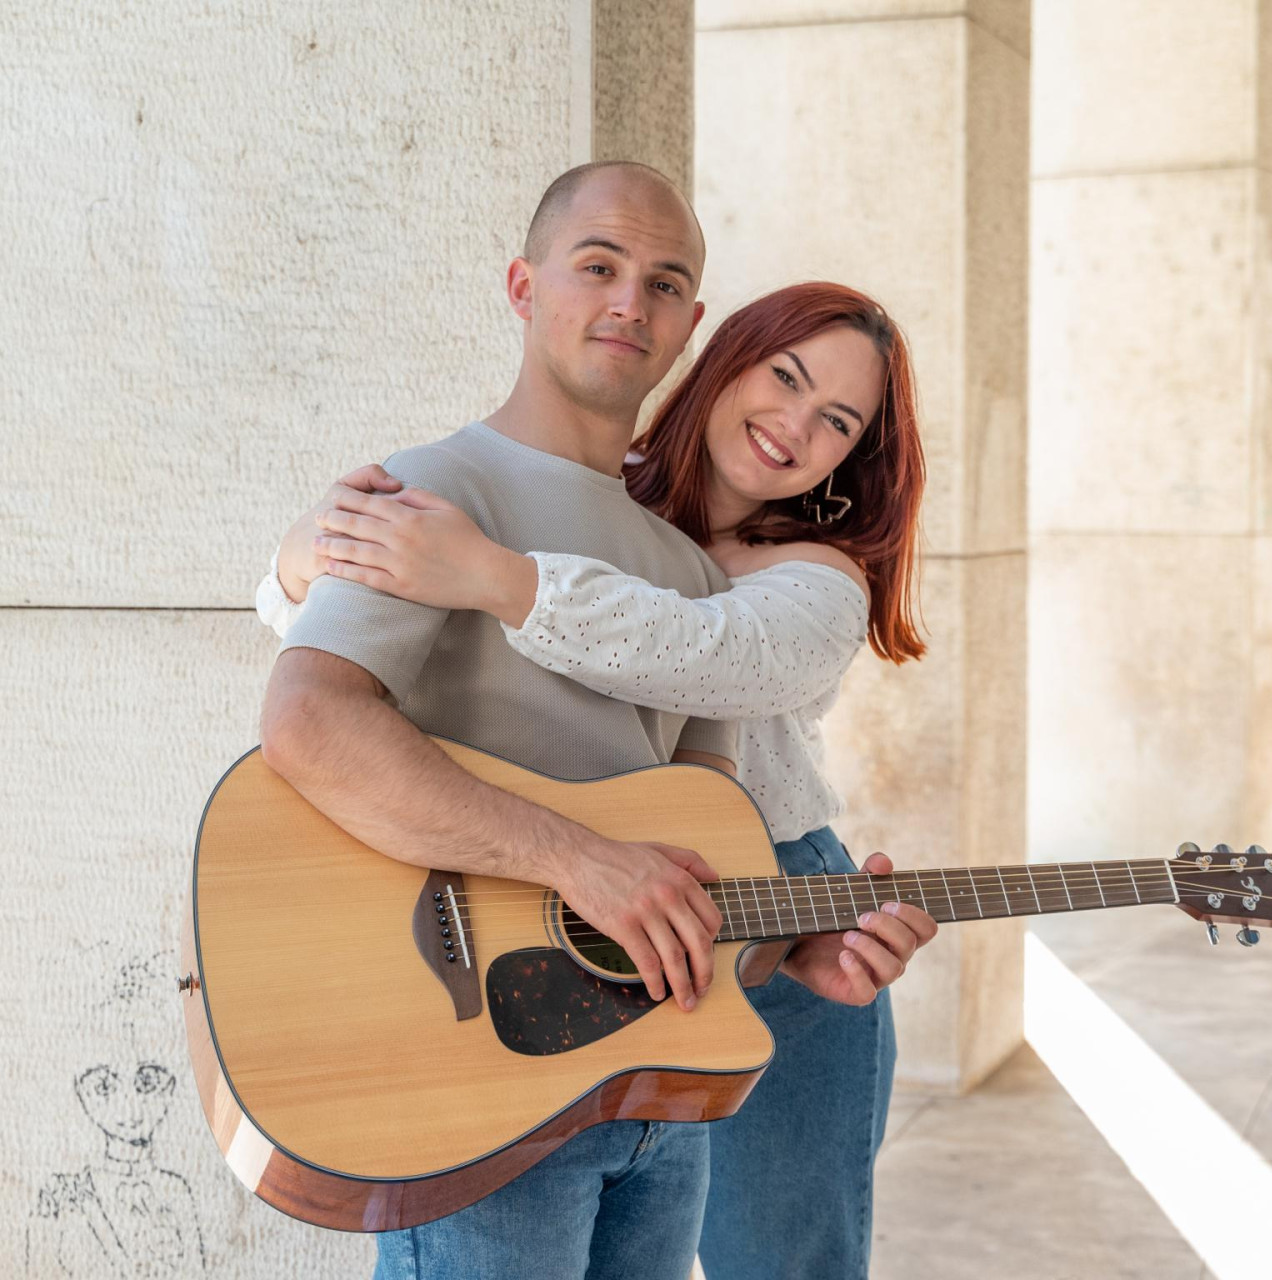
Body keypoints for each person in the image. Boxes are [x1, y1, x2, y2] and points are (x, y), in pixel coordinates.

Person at [258, 161, 936, 1280]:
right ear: (523, 287)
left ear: (688, 324)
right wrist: (306, 553)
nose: (629, 302)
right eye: (598, 266)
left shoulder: (743, 577)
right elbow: (310, 717)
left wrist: (793, 947)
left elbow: (701, 703)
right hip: (492, 1045)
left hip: (679, 1010)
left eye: (661, 283)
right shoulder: (440, 492)